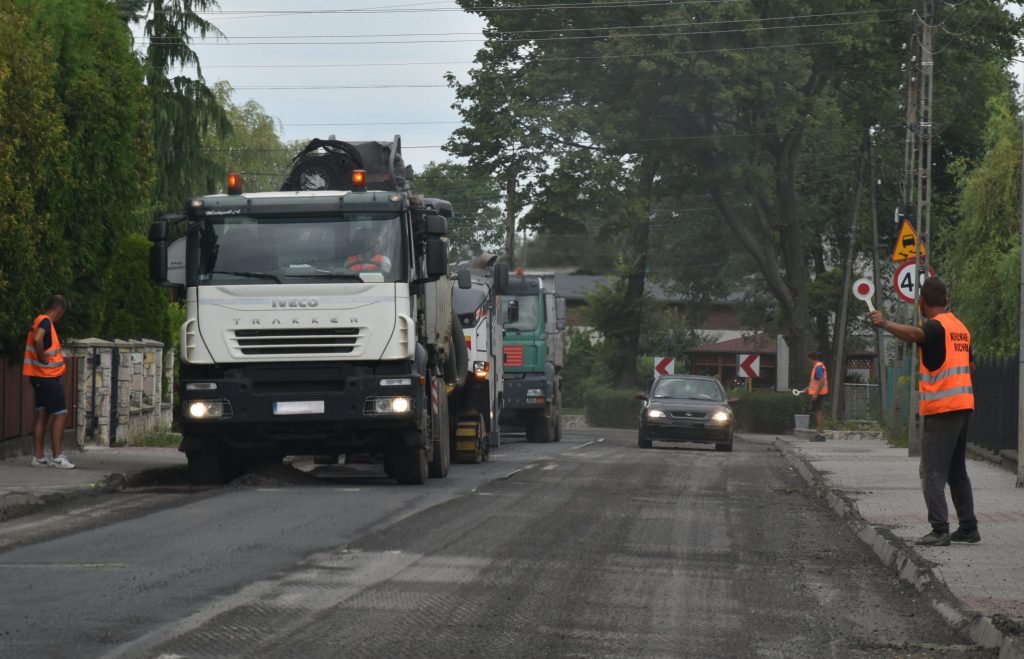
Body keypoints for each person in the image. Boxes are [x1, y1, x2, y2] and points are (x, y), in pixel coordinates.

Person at [869, 276, 979, 547]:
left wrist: (885, 323)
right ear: (946, 300)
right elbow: (971, 367)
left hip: (942, 409)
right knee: (957, 471)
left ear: (922, 302)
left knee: (931, 471)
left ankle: (939, 530)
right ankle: (968, 528)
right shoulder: (960, 329)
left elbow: (915, 334)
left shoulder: (934, 327)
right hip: (963, 406)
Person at [22, 295, 75, 469]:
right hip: (48, 377)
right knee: (61, 414)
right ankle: (57, 456)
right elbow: (38, 339)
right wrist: (43, 358)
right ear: (58, 309)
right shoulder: (45, 322)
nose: (61, 316)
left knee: (43, 414)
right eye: (62, 313)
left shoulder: (38, 319)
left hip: (38, 377)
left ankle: (38, 457)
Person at [803, 351, 829, 441]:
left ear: (812, 358)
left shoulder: (817, 367)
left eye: (809, 359)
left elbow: (821, 381)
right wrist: (806, 389)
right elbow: (816, 382)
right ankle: (820, 434)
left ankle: (821, 435)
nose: (808, 361)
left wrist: (815, 394)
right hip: (820, 393)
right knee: (818, 412)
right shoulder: (819, 366)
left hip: (819, 394)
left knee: (818, 413)